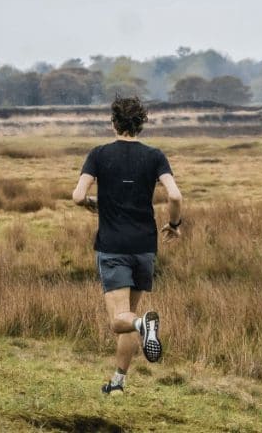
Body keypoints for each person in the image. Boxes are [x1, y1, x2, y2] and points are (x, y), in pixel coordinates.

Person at [71, 96, 183, 396]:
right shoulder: (155, 156)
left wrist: (93, 202)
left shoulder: (98, 154)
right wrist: (174, 225)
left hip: (113, 247)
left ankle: (144, 325)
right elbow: (175, 196)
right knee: (130, 316)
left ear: (113, 123)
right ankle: (118, 384)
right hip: (145, 247)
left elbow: (77, 196)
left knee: (120, 321)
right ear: (141, 124)